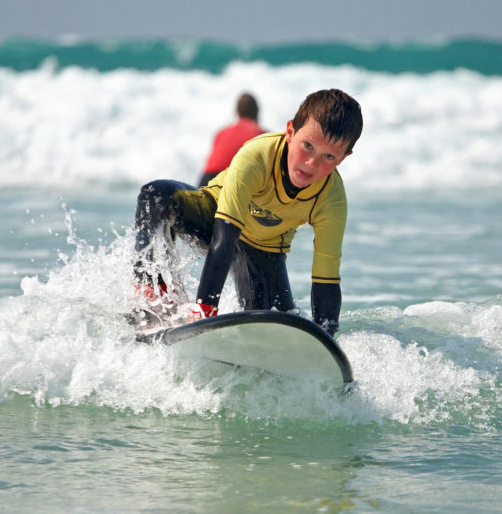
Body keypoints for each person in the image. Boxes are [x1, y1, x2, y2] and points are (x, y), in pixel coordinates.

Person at [132, 88, 363, 336]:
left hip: (264, 250)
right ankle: (155, 297)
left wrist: (326, 340)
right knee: (155, 196)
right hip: (215, 220)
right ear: (290, 132)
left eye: (329, 156)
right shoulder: (257, 154)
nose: (312, 163)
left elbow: (326, 280)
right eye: (307, 146)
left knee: (275, 329)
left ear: (343, 158)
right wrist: (203, 314)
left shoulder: (332, 198)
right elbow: (225, 237)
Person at [198, 93, 265, 186]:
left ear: (237, 111)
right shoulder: (261, 135)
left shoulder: (221, 132)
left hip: (207, 179)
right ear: (257, 111)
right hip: (232, 179)